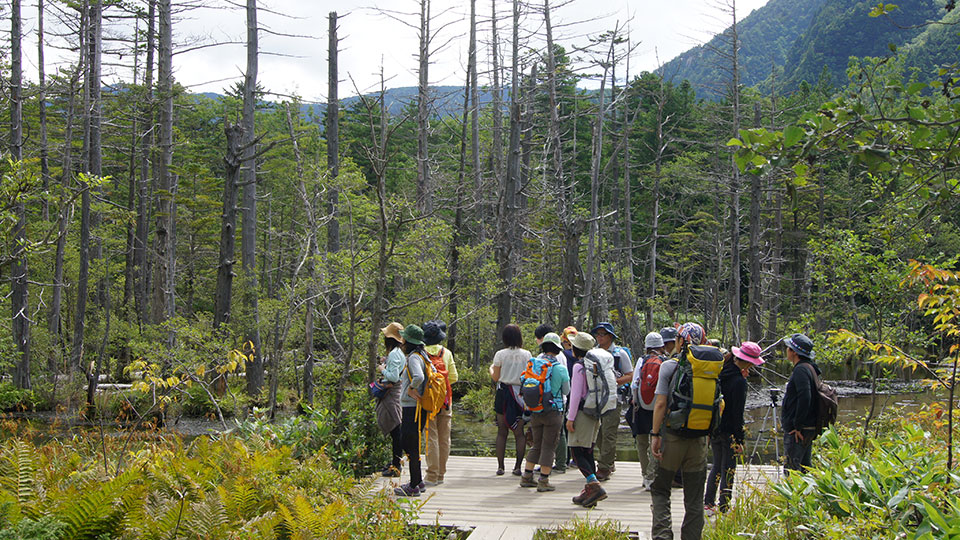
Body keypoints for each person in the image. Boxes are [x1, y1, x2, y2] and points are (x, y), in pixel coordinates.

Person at [650, 322, 710, 540]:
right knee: (694, 498)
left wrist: (655, 435)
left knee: (660, 490)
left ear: (680, 341)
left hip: (672, 438)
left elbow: (660, 404)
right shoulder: (711, 368)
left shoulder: (669, 366)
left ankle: (663, 536)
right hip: (699, 439)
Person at [704, 341, 764, 514]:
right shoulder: (739, 381)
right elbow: (737, 414)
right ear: (748, 362)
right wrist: (740, 439)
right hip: (729, 431)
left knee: (716, 465)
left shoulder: (721, 373)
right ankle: (724, 506)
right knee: (728, 468)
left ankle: (708, 502)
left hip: (715, 426)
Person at [519, 332, 570, 492]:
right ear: (557, 349)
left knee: (537, 444)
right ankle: (544, 480)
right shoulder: (560, 369)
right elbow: (567, 391)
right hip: (553, 412)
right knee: (549, 446)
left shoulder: (534, 365)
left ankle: (526, 476)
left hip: (535, 410)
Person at [566, 331, 612, 508]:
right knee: (588, 452)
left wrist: (570, 419)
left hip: (582, 414)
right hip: (595, 414)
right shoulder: (595, 366)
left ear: (576, 349)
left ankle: (594, 486)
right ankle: (589, 492)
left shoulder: (579, 367)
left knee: (576, 452)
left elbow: (576, 394)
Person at [590, 322, 634, 481]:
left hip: (614, 398)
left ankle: (603, 467)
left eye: (603, 334)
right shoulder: (593, 353)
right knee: (599, 433)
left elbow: (630, 374)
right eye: (598, 334)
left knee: (609, 432)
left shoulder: (620, 353)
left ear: (610, 336)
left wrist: (615, 382)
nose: (600, 337)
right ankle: (609, 460)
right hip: (596, 398)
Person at [490, 324, 531, 476]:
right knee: (519, 433)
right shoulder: (527, 354)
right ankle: (518, 467)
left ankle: (501, 467)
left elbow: (495, 377)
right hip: (520, 394)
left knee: (502, 431)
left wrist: (490, 369)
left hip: (504, 393)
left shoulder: (500, 354)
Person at [395, 324, 431, 497]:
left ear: (408, 341)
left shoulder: (414, 358)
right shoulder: (424, 356)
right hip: (417, 407)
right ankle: (418, 481)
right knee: (410, 442)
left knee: (410, 443)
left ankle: (414, 485)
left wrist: (411, 388)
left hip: (413, 407)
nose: (401, 342)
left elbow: (419, 377)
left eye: (403, 339)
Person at [629, 331, 666, 490]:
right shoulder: (665, 362)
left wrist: (635, 402)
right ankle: (653, 476)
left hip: (641, 408)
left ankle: (645, 476)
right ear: (661, 346)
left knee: (642, 443)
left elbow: (634, 384)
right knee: (655, 443)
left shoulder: (641, 361)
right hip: (658, 407)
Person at [423, 320, 458, 487]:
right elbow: (454, 377)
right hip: (445, 400)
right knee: (445, 438)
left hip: (427, 402)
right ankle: (441, 474)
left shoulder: (420, 352)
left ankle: (431, 475)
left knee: (431, 437)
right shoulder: (447, 352)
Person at [781, 333, 819, 475]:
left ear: (794, 352)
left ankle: (792, 497)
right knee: (804, 469)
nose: (786, 350)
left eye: (788, 348)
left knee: (792, 470)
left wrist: (797, 425)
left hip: (798, 430)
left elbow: (805, 397)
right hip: (807, 427)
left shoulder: (801, 370)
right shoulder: (809, 367)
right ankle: (805, 496)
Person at [376, 322, 406, 478]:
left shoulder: (395, 353)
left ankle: (396, 466)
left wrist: (382, 369)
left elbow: (393, 376)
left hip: (392, 394)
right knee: (396, 429)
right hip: (396, 393)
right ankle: (396, 463)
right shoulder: (397, 353)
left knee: (396, 428)